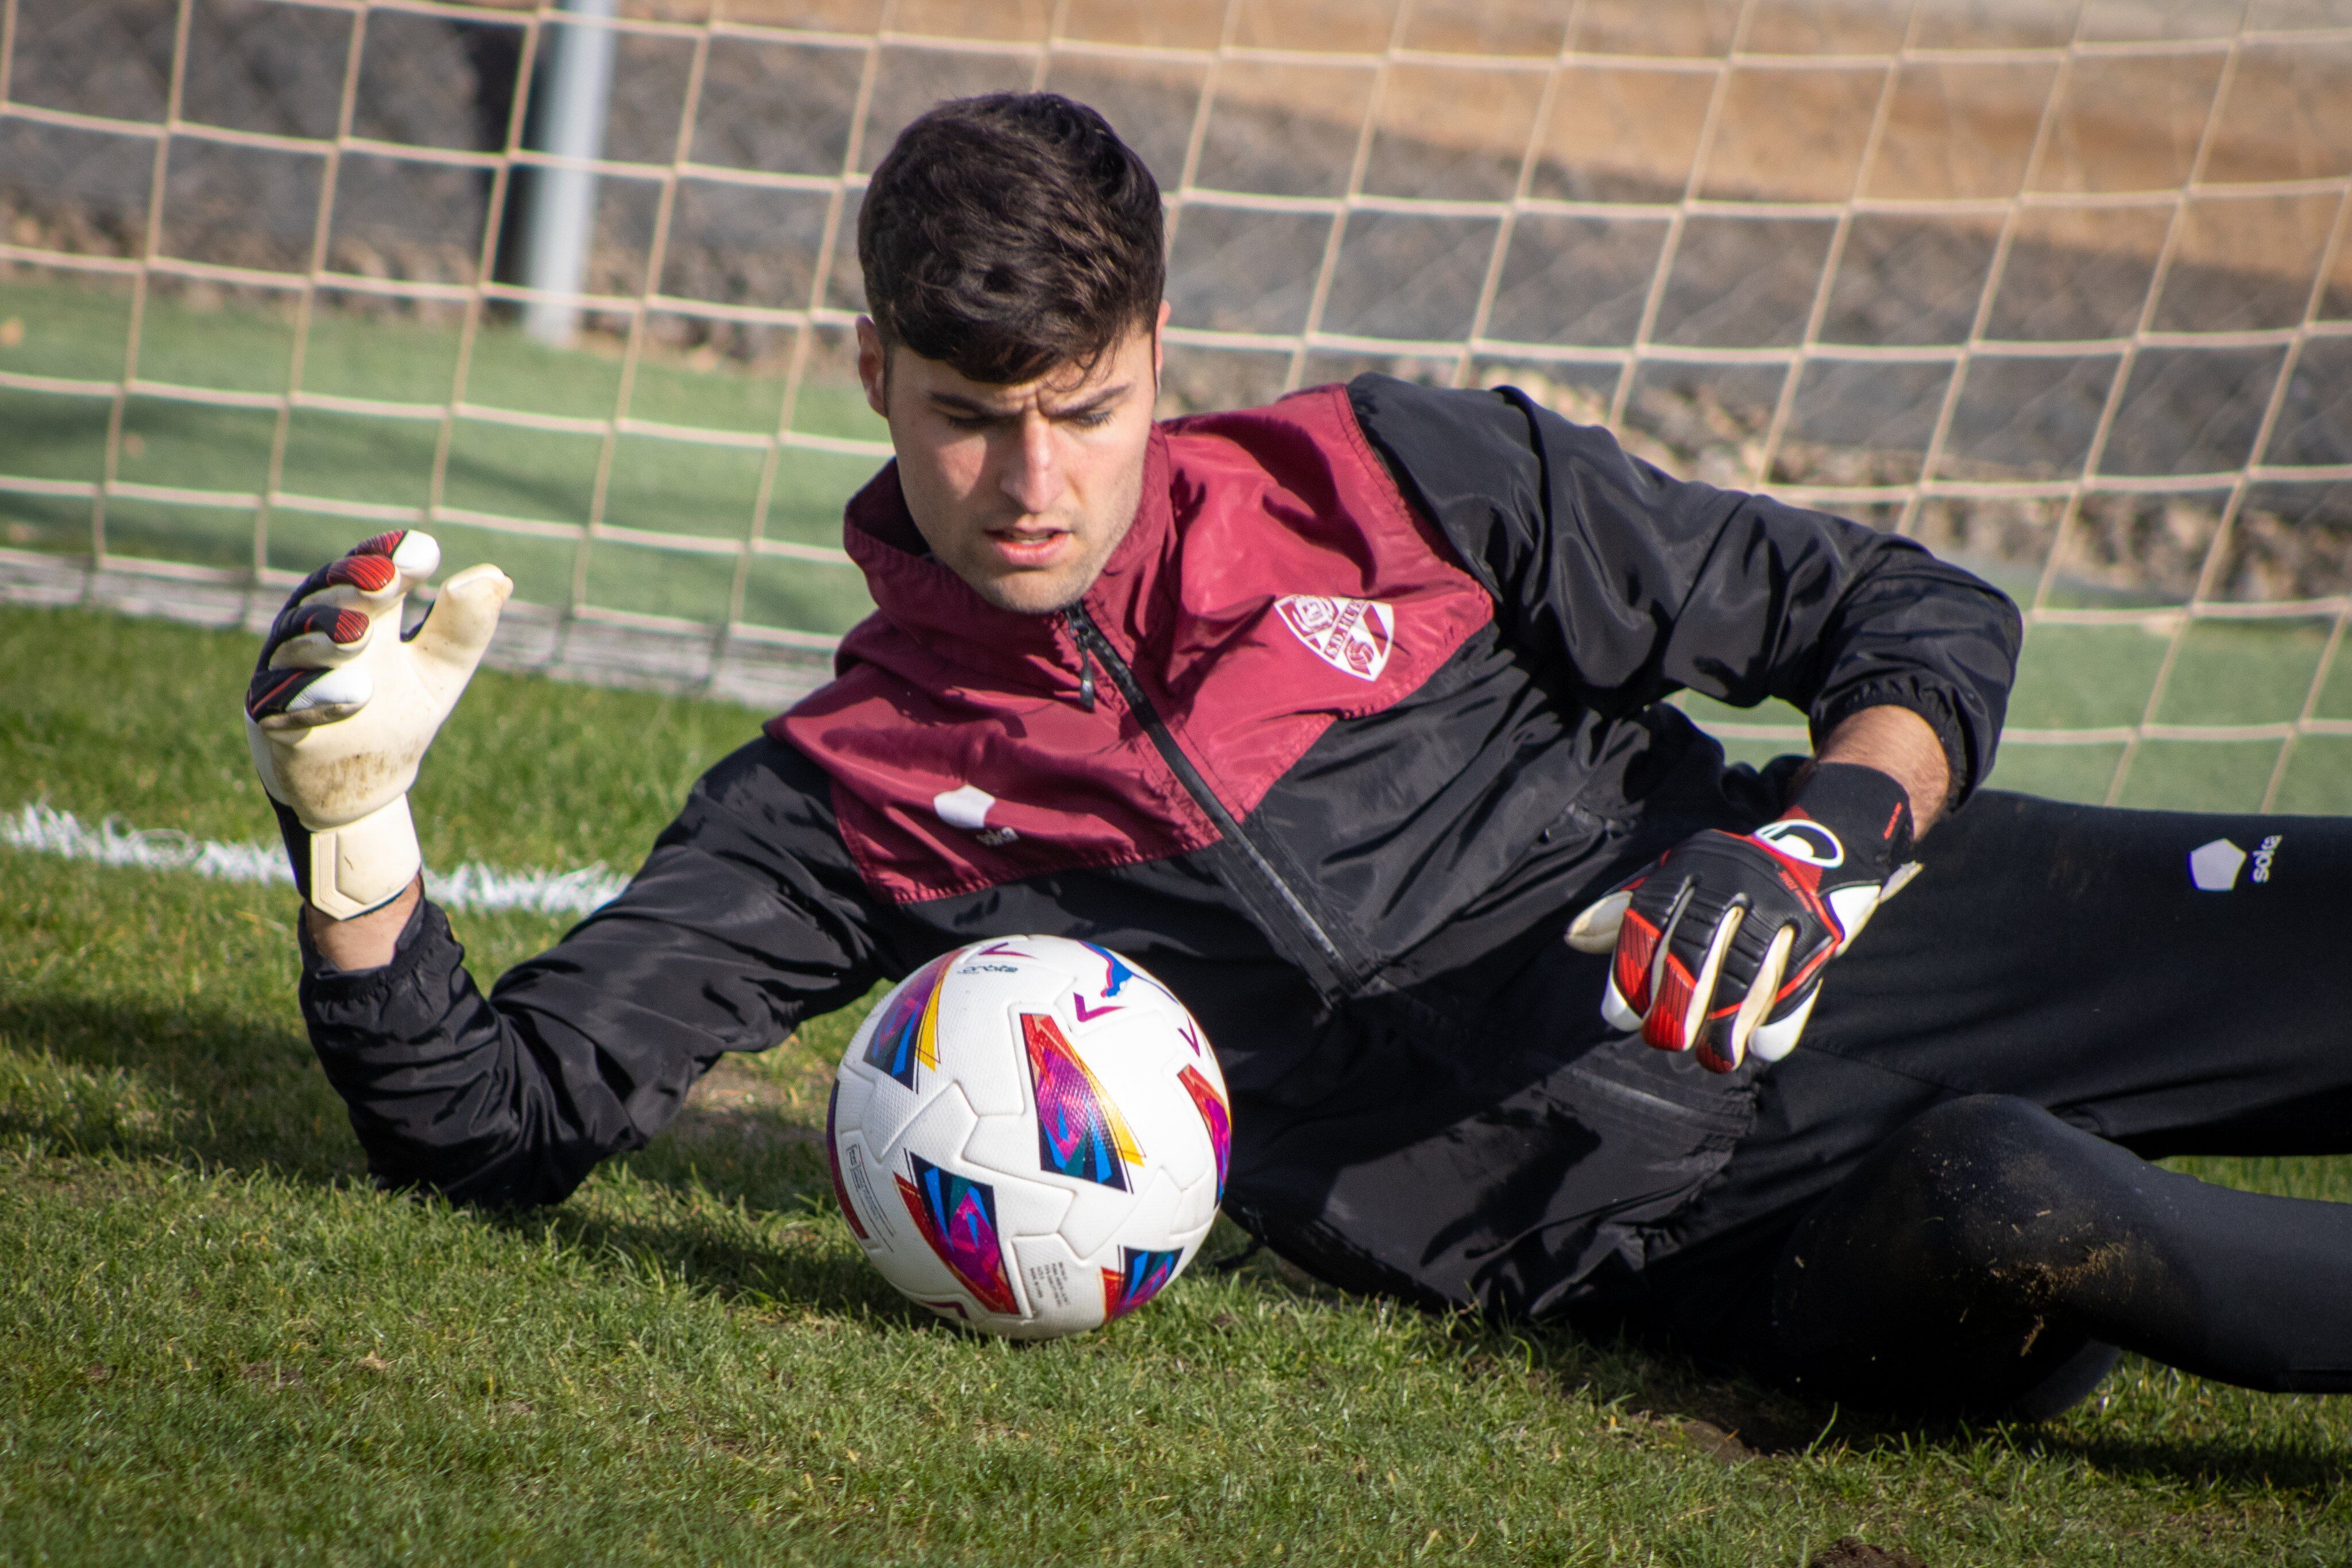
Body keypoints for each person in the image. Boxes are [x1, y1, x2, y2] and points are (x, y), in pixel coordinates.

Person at [244, 93, 2352, 1421]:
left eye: (1086, 403)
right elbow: (490, 1127)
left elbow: (1902, 617)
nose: (1033, 475)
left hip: (1859, 929)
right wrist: (357, 838)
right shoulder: (853, 789)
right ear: (875, 371)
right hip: (1670, 1230)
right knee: (2016, 1201)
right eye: (974, 414)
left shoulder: (1397, 473)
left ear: (1159, 354)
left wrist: (1819, 837)